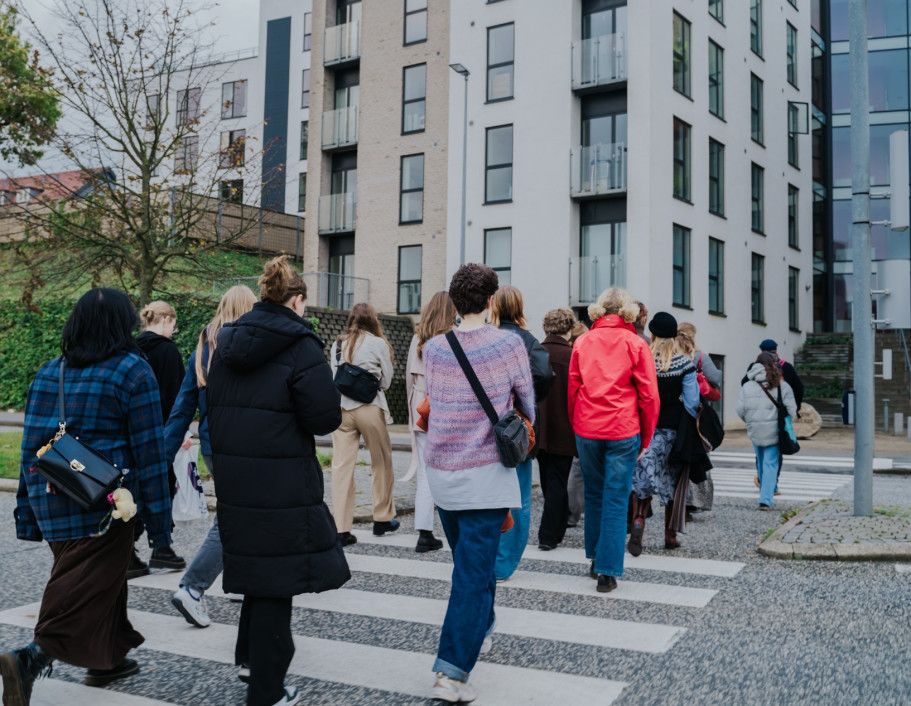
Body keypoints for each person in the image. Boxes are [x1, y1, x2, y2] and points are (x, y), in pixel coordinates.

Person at [2, 288, 172, 701]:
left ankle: (106, 660)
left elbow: (31, 449)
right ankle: (31, 658)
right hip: (107, 501)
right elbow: (150, 450)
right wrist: (161, 527)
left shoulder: (49, 371)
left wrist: (26, 512)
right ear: (123, 323)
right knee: (82, 585)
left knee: (94, 577)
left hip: (53, 494)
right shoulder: (133, 370)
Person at [206, 255, 349, 706]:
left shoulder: (225, 343)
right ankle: (266, 691)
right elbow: (324, 417)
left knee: (256, 566)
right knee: (278, 578)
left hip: (235, 472)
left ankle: (249, 657)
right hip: (282, 474)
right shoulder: (300, 345)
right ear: (297, 300)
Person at [422, 263, 534, 703]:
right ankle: (450, 673)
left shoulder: (434, 348)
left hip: (443, 474)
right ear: (491, 301)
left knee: (472, 564)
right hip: (486, 473)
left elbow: (437, 400)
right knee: (472, 573)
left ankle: (480, 624)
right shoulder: (508, 344)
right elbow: (526, 400)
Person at [165, 285, 257, 628]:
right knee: (232, 519)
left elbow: (182, 406)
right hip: (243, 446)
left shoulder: (202, 348)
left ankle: (239, 581)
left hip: (212, 446)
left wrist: (163, 453)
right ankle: (192, 588)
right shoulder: (247, 348)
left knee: (243, 514)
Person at [568, 287, 659, 593]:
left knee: (594, 493)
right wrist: (646, 436)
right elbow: (649, 395)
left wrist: (576, 423)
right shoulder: (635, 343)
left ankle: (595, 559)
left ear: (598, 310)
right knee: (617, 496)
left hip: (588, 426)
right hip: (623, 427)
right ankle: (608, 571)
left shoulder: (582, 341)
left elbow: (573, 388)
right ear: (627, 312)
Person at [489, 285, 552, 580]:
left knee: (487, 495)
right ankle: (505, 562)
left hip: (485, 425)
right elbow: (544, 376)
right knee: (520, 497)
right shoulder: (528, 341)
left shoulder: (485, 337)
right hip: (518, 427)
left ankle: (488, 557)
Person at [629, 312, 700, 555]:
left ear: (653, 333)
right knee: (673, 478)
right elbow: (692, 404)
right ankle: (670, 535)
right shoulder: (684, 364)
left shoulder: (642, 360)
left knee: (642, 477)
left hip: (644, 430)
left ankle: (638, 521)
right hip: (673, 431)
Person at [329, 303, 398, 546]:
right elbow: (387, 382)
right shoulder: (378, 344)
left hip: (342, 410)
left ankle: (341, 528)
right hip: (369, 407)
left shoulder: (338, 344)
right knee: (381, 462)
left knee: (341, 467)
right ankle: (381, 519)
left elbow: (333, 376)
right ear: (372, 320)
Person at [131, 300, 186, 577]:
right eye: (173, 324)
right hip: (162, 431)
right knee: (162, 487)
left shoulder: (131, 348)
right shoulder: (168, 352)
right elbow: (178, 399)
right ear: (166, 320)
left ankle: (131, 549)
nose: (173, 330)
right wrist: (182, 433)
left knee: (136, 491)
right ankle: (161, 548)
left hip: (133, 431)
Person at [405, 291, 457, 553]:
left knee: (426, 474)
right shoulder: (453, 338)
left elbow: (409, 382)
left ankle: (424, 531)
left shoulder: (419, 338)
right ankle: (450, 527)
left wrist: (411, 417)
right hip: (447, 412)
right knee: (453, 471)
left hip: (421, 411)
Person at [536, 308, 577, 551]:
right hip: (565, 426)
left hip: (539, 426)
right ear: (569, 328)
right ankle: (549, 534)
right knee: (558, 479)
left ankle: (556, 528)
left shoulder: (536, 352)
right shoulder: (573, 355)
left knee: (548, 479)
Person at [737, 352, 798, 510]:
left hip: (755, 429)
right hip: (775, 430)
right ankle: (765, 499)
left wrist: (750, 421)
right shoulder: (781, 385)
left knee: (761, 461)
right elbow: (792, 410)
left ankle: (769, 489)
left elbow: (740, 410)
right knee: (770, 463)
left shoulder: (747, 385)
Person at [677, 322, 718, 516]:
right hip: (696, 413)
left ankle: (679, 500)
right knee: (699, 454)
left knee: (677, 456)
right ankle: (695, 499)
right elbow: (716, 377)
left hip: (674, 413)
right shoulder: (700, 357)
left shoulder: (670, 355)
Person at [565, 320, 589, 529]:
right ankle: (579, 512)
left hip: (573, 419)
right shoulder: (583, 356)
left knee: (575, 471)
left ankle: (572, 514)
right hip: (586, 419)